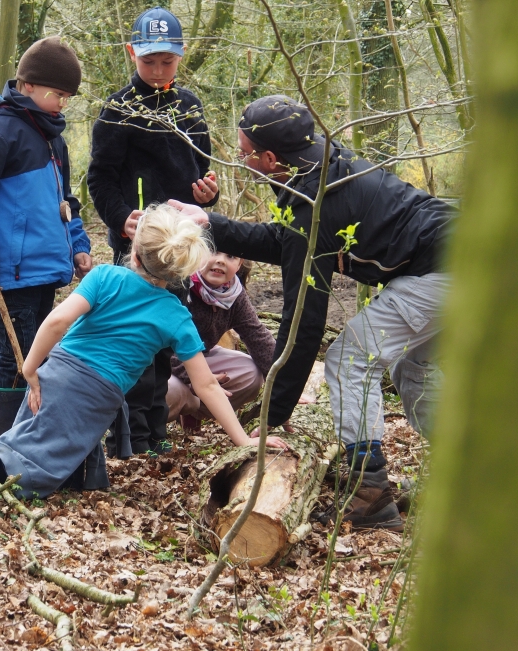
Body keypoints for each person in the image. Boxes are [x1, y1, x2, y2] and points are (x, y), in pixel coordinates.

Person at [172, 95, 455, 530]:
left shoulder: (315, 200)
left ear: (270, 157)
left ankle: (370, 492)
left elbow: (304, 320)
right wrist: (210, 223)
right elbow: (290, 240)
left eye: (246, 153)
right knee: (409, 371)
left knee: (349, 359)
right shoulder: (319, 166)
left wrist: (274, 412)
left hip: (447, 272)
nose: (243, 160)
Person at [0, 205, 287, 499]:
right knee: (31, 458)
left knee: (40, 438)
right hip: (98, 394)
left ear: (134, 254)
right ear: (181, 270)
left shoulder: (104, 276)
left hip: (58, 372)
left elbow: (57, 321)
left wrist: (31, 369)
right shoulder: (176, 316)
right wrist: (243, 440)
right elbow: (206, 386)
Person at [87, 7, 220, 454]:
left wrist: (207, 196)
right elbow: (99, 178)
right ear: (132, 54)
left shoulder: (190, 107)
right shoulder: (118, 109)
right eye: (149, 62)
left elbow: (202, 174)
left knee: (165, 343)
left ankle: (155, 435)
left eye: (167, 61)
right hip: (136, 249)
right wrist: (119, 215)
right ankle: (128, 437)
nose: (158, 70)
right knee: (131, 341)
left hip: (179, 247)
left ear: (180, 56)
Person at [0, 36, 93, 438]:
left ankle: (31, 441)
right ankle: (7, 452)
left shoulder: (55, 139)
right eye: (57, 94)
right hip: (8, 271)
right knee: (16, 360)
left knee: (40, 354)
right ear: (27, 85)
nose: (62, 104)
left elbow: (66, 201)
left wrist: (79, 247)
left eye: (68, 97)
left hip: (46, 269)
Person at [166, 252, 277, 428]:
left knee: (251, 374)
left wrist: (285, 387)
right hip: (162, 365)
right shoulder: (177, 284)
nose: (220, 260)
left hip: (201, 356)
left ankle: (195, 412)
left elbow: (258, 336)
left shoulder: (234, 294)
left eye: (231, 256)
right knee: (169, 392)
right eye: (213, 251)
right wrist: (196, 379)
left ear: (240, 264)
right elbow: (160, 346)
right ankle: (153, 429)